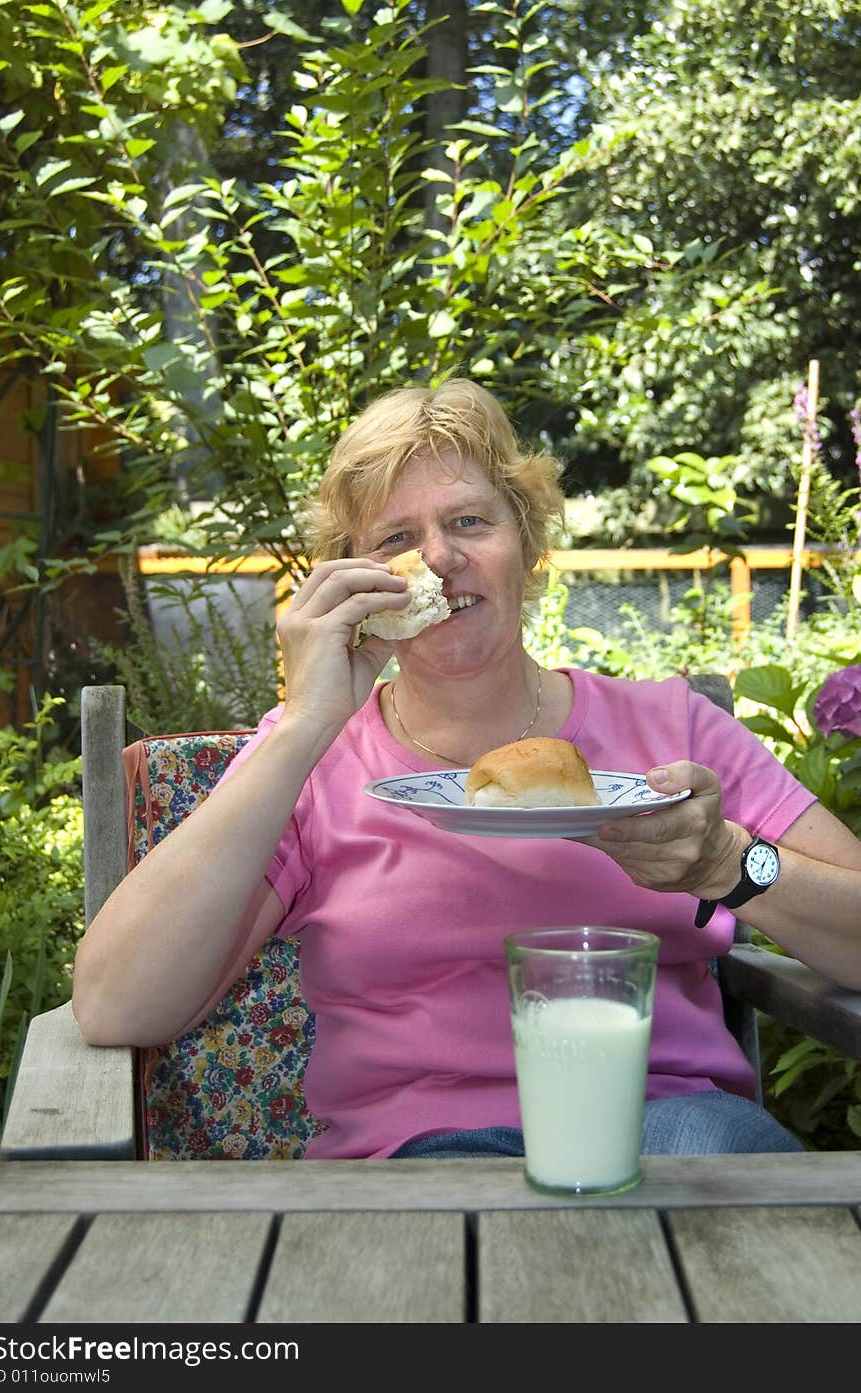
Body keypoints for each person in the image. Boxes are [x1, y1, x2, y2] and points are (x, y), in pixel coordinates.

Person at [71, 377, 861, 1160]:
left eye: (469, 521)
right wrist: (304, 725)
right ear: (355, 583)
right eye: (394, 540)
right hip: (419, 1156)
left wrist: (730, 862)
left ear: (528, 544)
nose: (439, 558)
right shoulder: (312, 758)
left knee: (715, 1160)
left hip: (673, 1130)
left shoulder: (672, 726)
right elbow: (115, 1004)